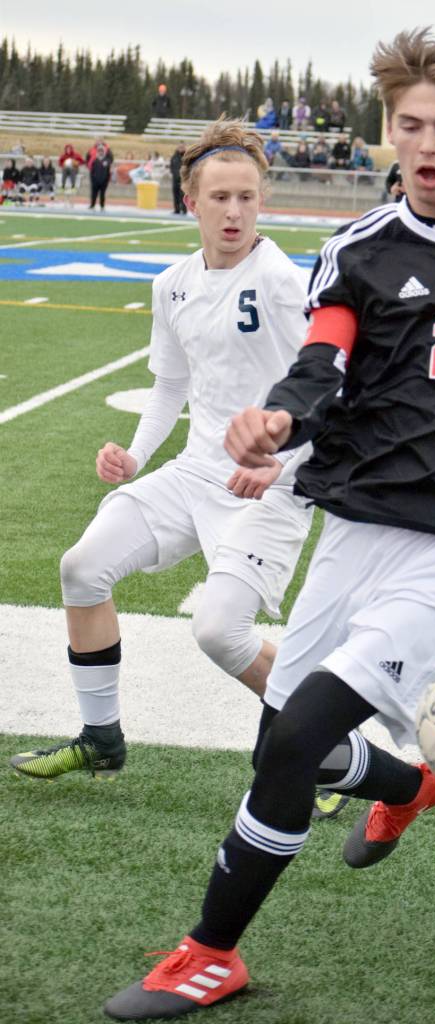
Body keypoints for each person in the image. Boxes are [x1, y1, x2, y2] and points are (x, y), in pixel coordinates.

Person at [103, 28, 435, 1021]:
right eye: (407, 127)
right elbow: (322, 365)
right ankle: (402, 781)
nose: (426, 146)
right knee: (281, 746)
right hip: (356, 529)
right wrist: (282, 424)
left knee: (298, 730)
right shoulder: (359, 250)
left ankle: (211, 953)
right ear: (387, 131)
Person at [9, 118, 313, 785]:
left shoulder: (284, 282)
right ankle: (100, 737)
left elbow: (327, 388)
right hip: (195, 470)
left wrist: (282, 463)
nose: (234, 211)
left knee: (218, 634)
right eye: (219, 197)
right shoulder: (171, 284)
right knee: (82, 567)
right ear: (191, 201)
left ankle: (321, 747)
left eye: (247, 197)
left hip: (270, 486)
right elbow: (170, 383)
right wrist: (136, 456)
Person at [88, 143, 112, 209]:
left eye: (102, 151)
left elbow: (108, 172)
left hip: (103, 181)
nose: (100, 152)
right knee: (94, 194)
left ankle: (102, 205)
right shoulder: (94, 160)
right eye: (99, 151)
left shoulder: (107, 161)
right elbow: (92, 172)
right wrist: (93, 180)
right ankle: (92, 205)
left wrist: (106, 180)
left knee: (102, 194)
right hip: (95, 181)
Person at [169, 142, 187, 214]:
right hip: (175, 179)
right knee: (175, 194)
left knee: (183, 195)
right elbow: (171, 167)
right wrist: (174, 173)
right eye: (179, 147)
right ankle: (176, 210)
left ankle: (184, 210)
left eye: (182, 147)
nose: (181, 148)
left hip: (183, 180)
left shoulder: (187, 157)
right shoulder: (174, 157)